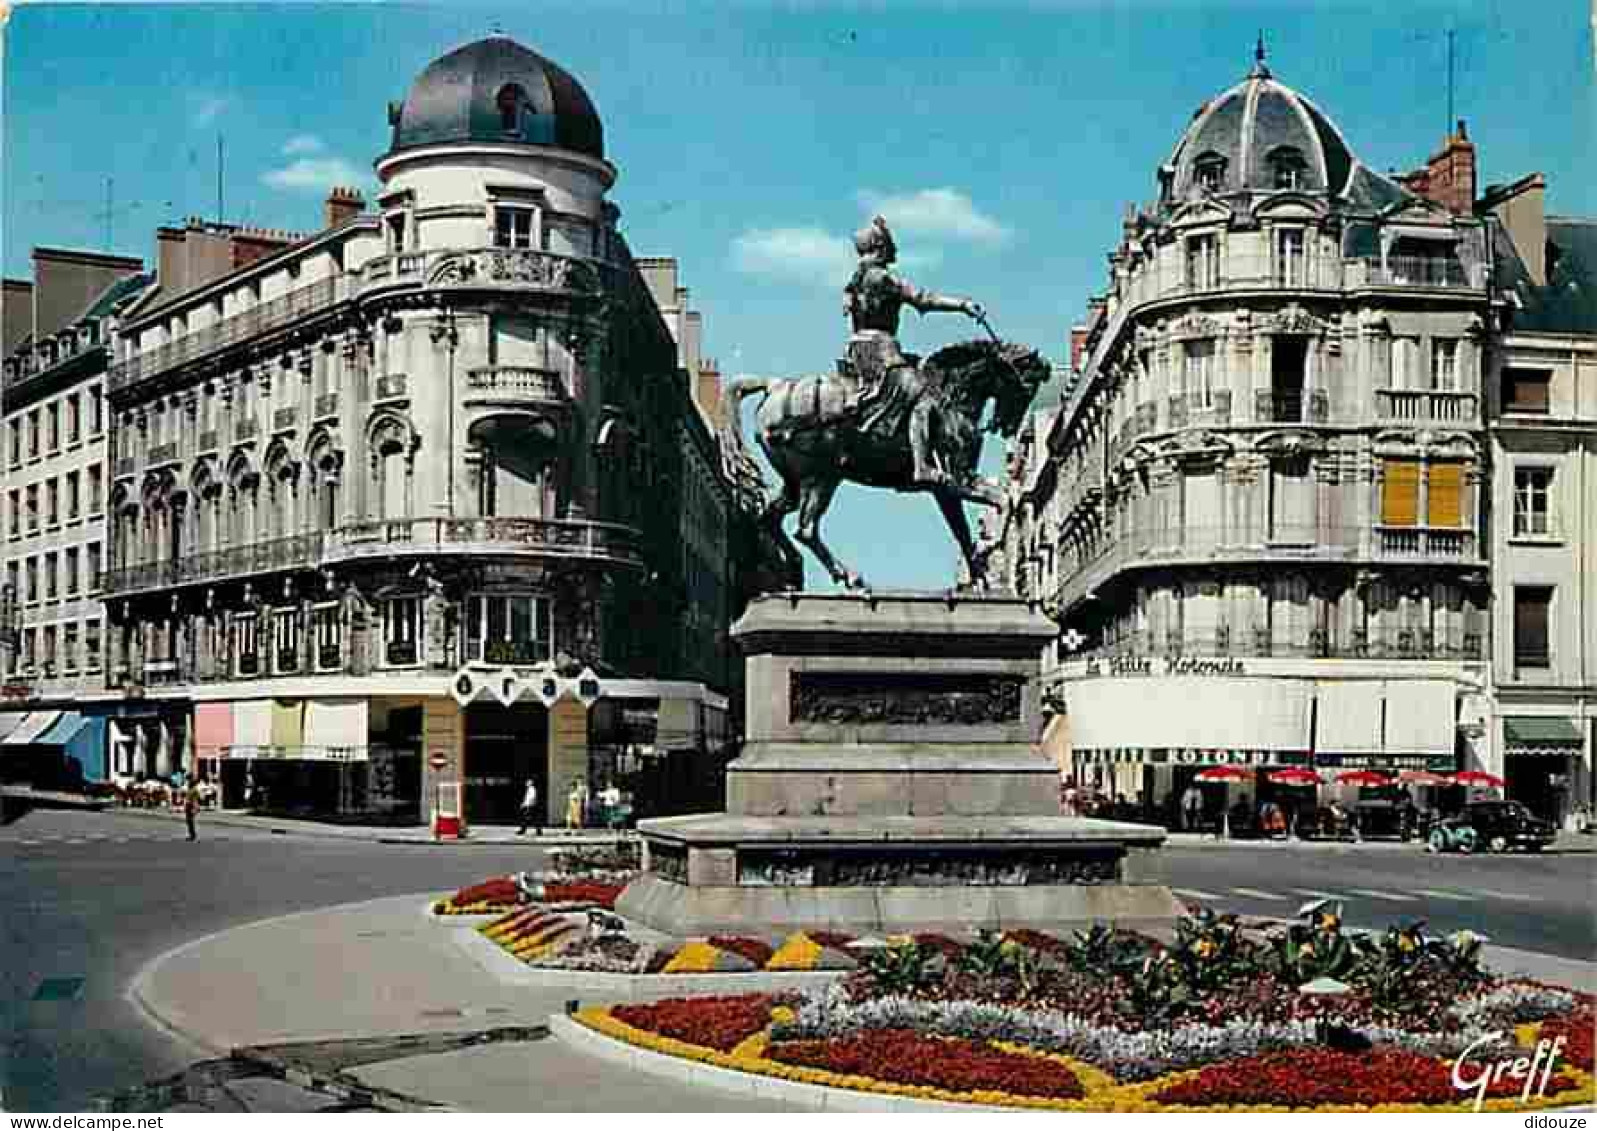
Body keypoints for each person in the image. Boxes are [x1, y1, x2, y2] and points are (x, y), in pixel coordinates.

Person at [841, 216, 984, 485]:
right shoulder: (881, 278)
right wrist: (962, 304)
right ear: (880, 248)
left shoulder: (855, 280)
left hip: (858, 347)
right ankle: (922, 466)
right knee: (924, 394)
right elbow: (923, 299)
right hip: (880, 348)